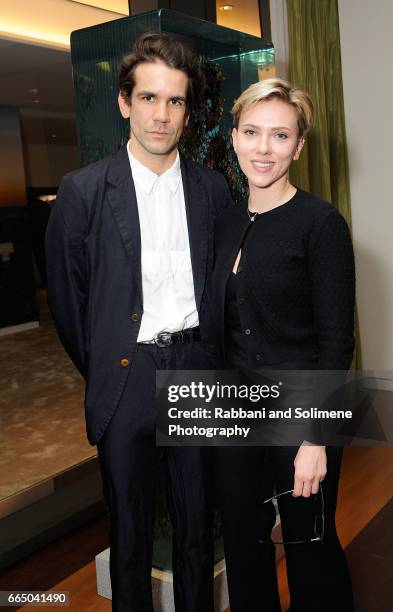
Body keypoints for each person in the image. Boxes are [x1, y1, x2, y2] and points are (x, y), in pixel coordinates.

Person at [46, 32, 232, 612]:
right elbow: (69, 303)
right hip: (126, 376)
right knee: (128, 535)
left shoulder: (213, 189)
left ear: (187, 112)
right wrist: (109, 364)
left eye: (174, 101)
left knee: (198, 528)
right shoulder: (81, 192)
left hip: (195, 369)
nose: (161, 114)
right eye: (149, 98)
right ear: (125, 102)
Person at [210, 78, 355, 611]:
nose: (263, 148)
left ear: (298, 146)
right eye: (252, 132)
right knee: (246, 553)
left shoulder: (321, 224)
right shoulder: (223, 225)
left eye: (279, 135)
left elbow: (338, 341)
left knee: (309, 550)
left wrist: (315, 440)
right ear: (234, 137)